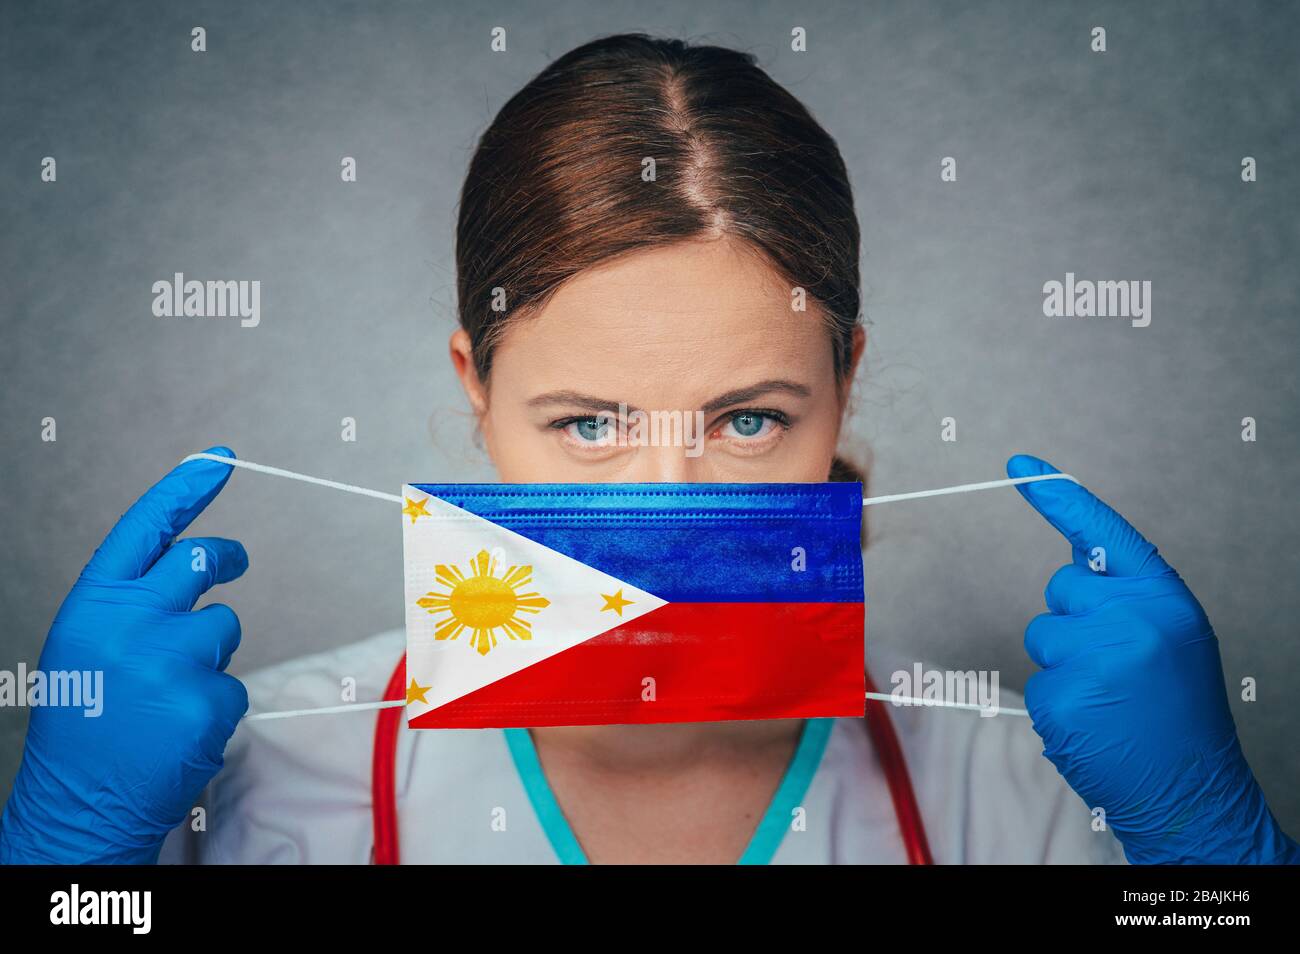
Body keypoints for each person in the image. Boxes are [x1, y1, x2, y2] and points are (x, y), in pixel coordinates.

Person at [1, 34, 1295, 866]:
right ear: (477, 388)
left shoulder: (1031, 791)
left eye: (749, 419)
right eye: (587, 424)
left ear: (842, 387)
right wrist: (66, 870)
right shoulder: (246, 778)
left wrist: (1216, 858)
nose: (666, 507)